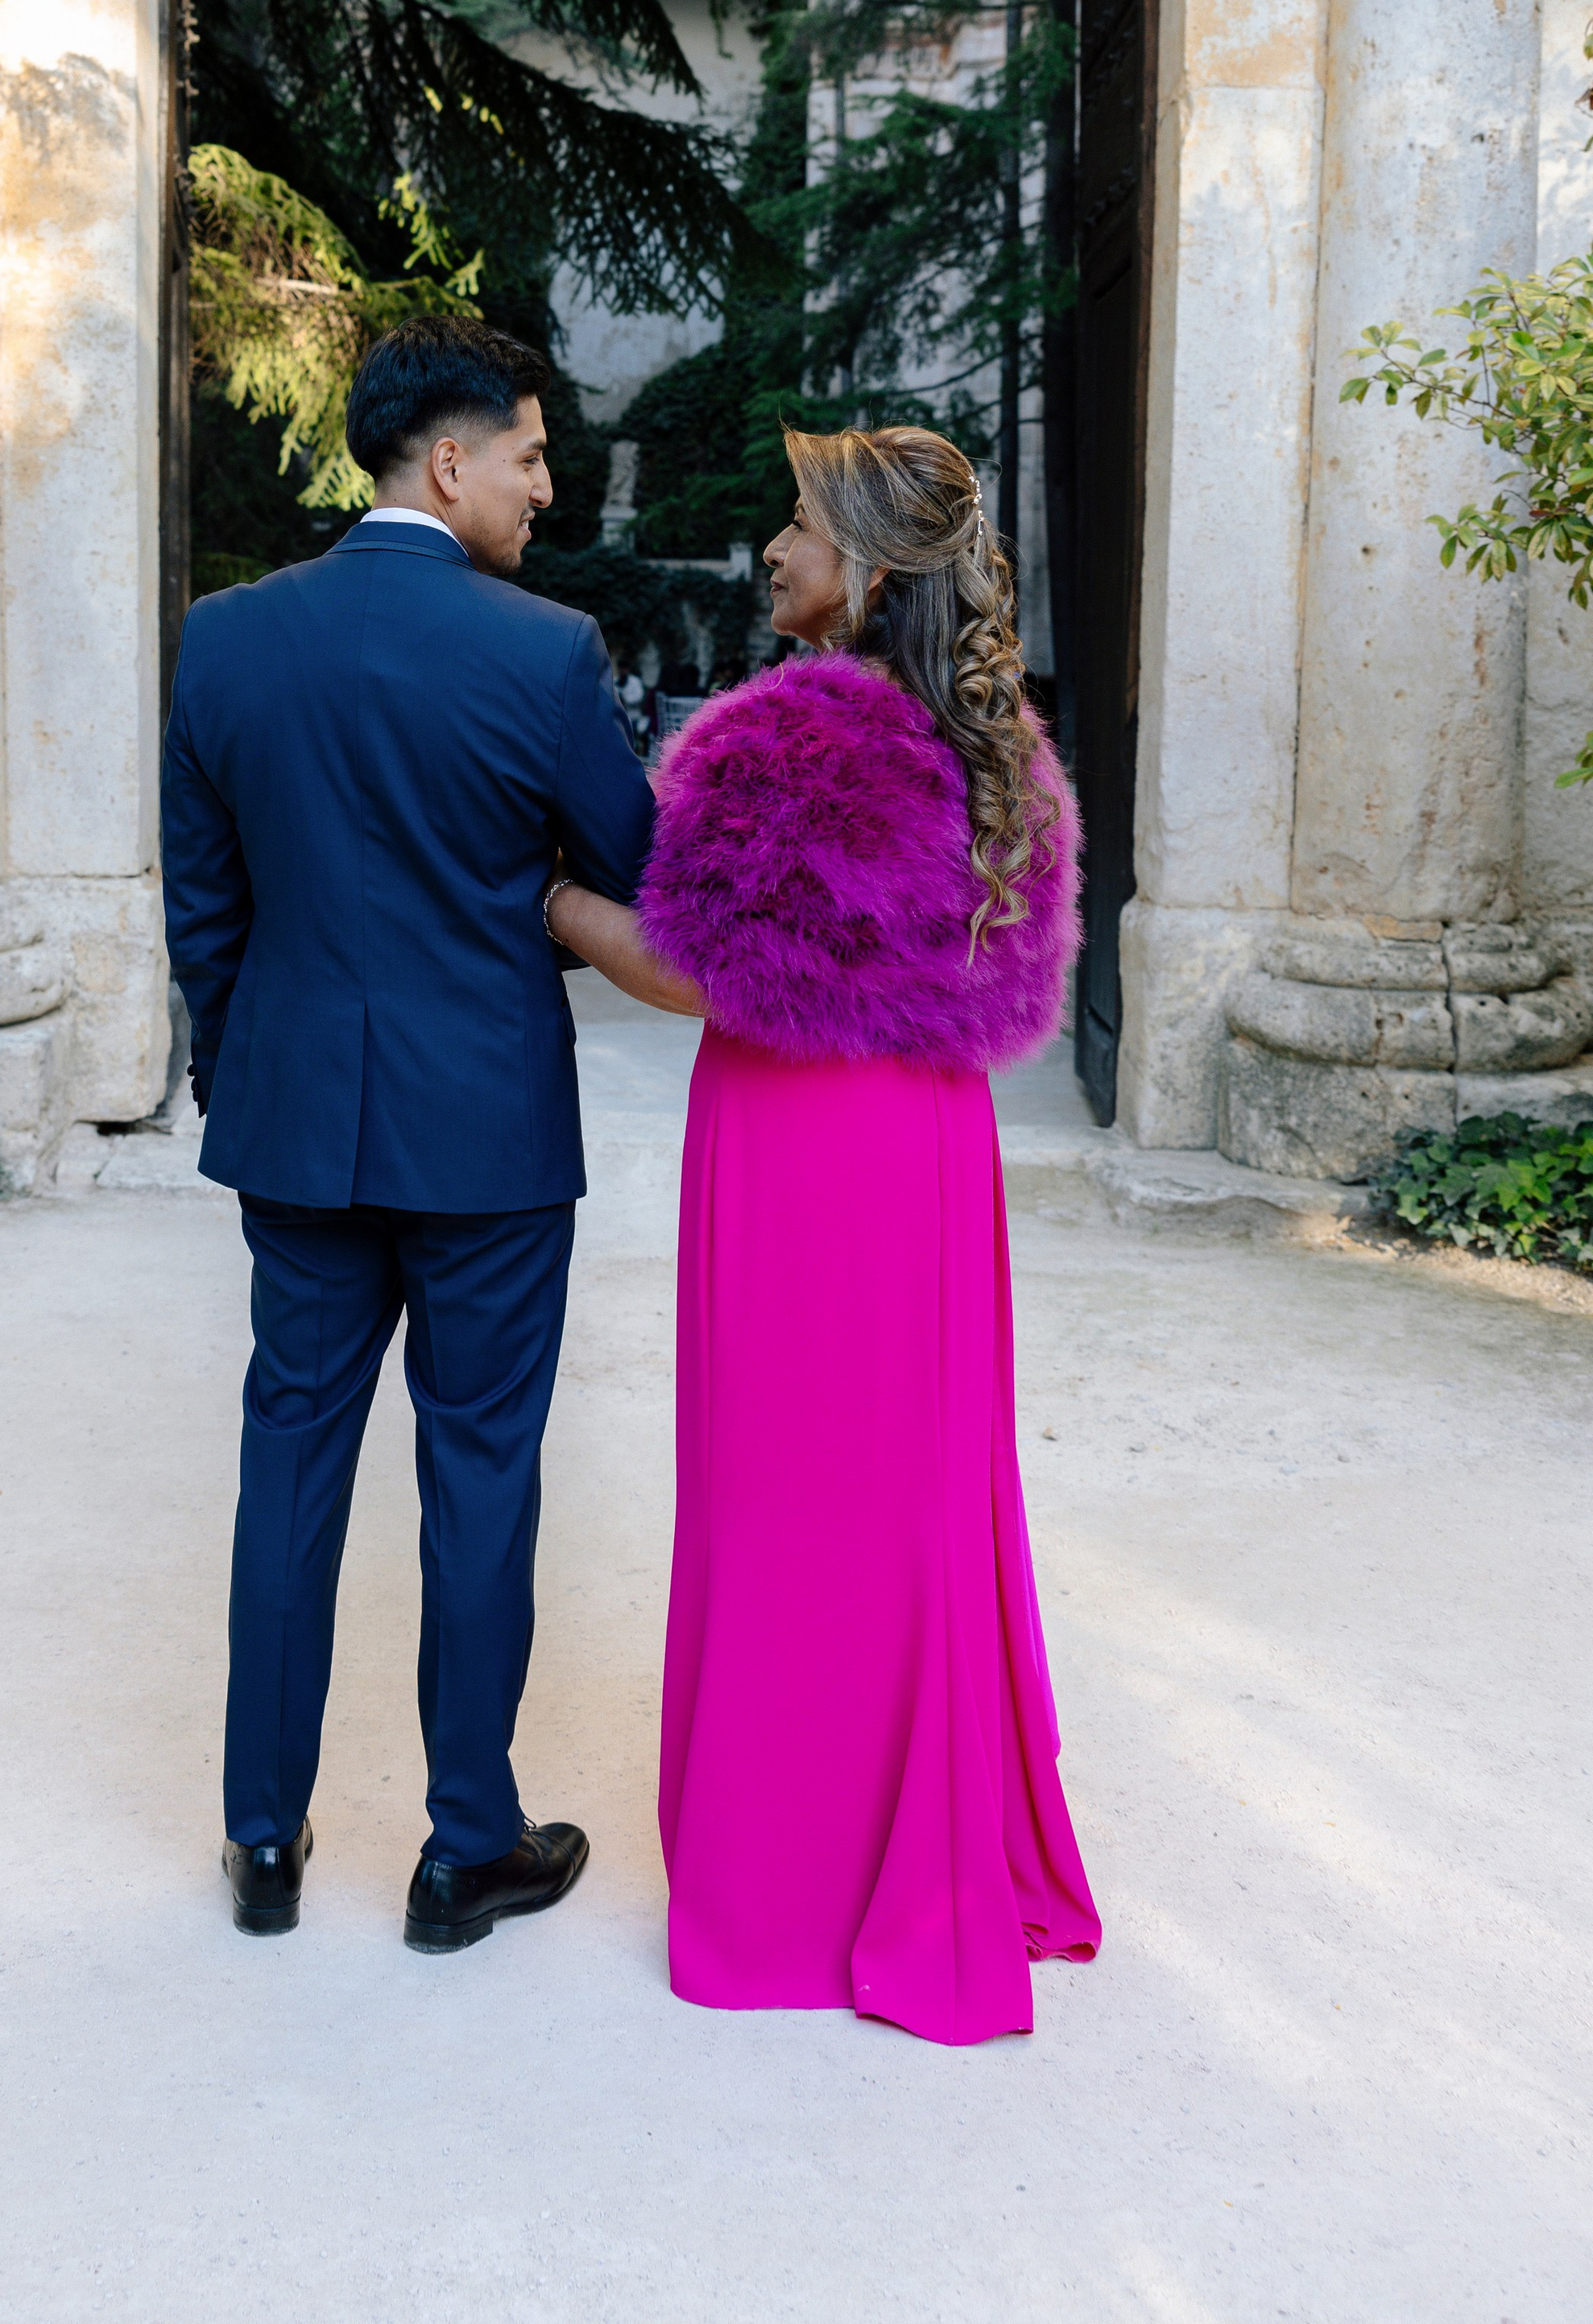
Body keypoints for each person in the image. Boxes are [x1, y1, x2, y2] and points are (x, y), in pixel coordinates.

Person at [544, 424, 1101, 2043]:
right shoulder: (1001, 749)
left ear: (860, 567)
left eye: (798, 525)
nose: (776, 550)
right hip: (925, 1152)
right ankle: (911, 1848)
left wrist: (549, 902)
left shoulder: (788, 734)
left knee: (779, 1493)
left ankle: (786, 1883)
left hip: (795, 1153)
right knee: (910, 1497)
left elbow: (688, 969)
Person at [163, 317, 656, 1953]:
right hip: (488, 1134)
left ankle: (260, 1840)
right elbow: (638, 872)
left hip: (298, 1122)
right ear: (448, 463)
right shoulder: (546, 653)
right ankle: (464, 1850)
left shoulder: (227, 640)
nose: (543, 487)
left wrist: (249, 1076)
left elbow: (206, 911)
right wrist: (531, 900)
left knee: (288, 1461)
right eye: (528, 455)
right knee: (482, 1471)